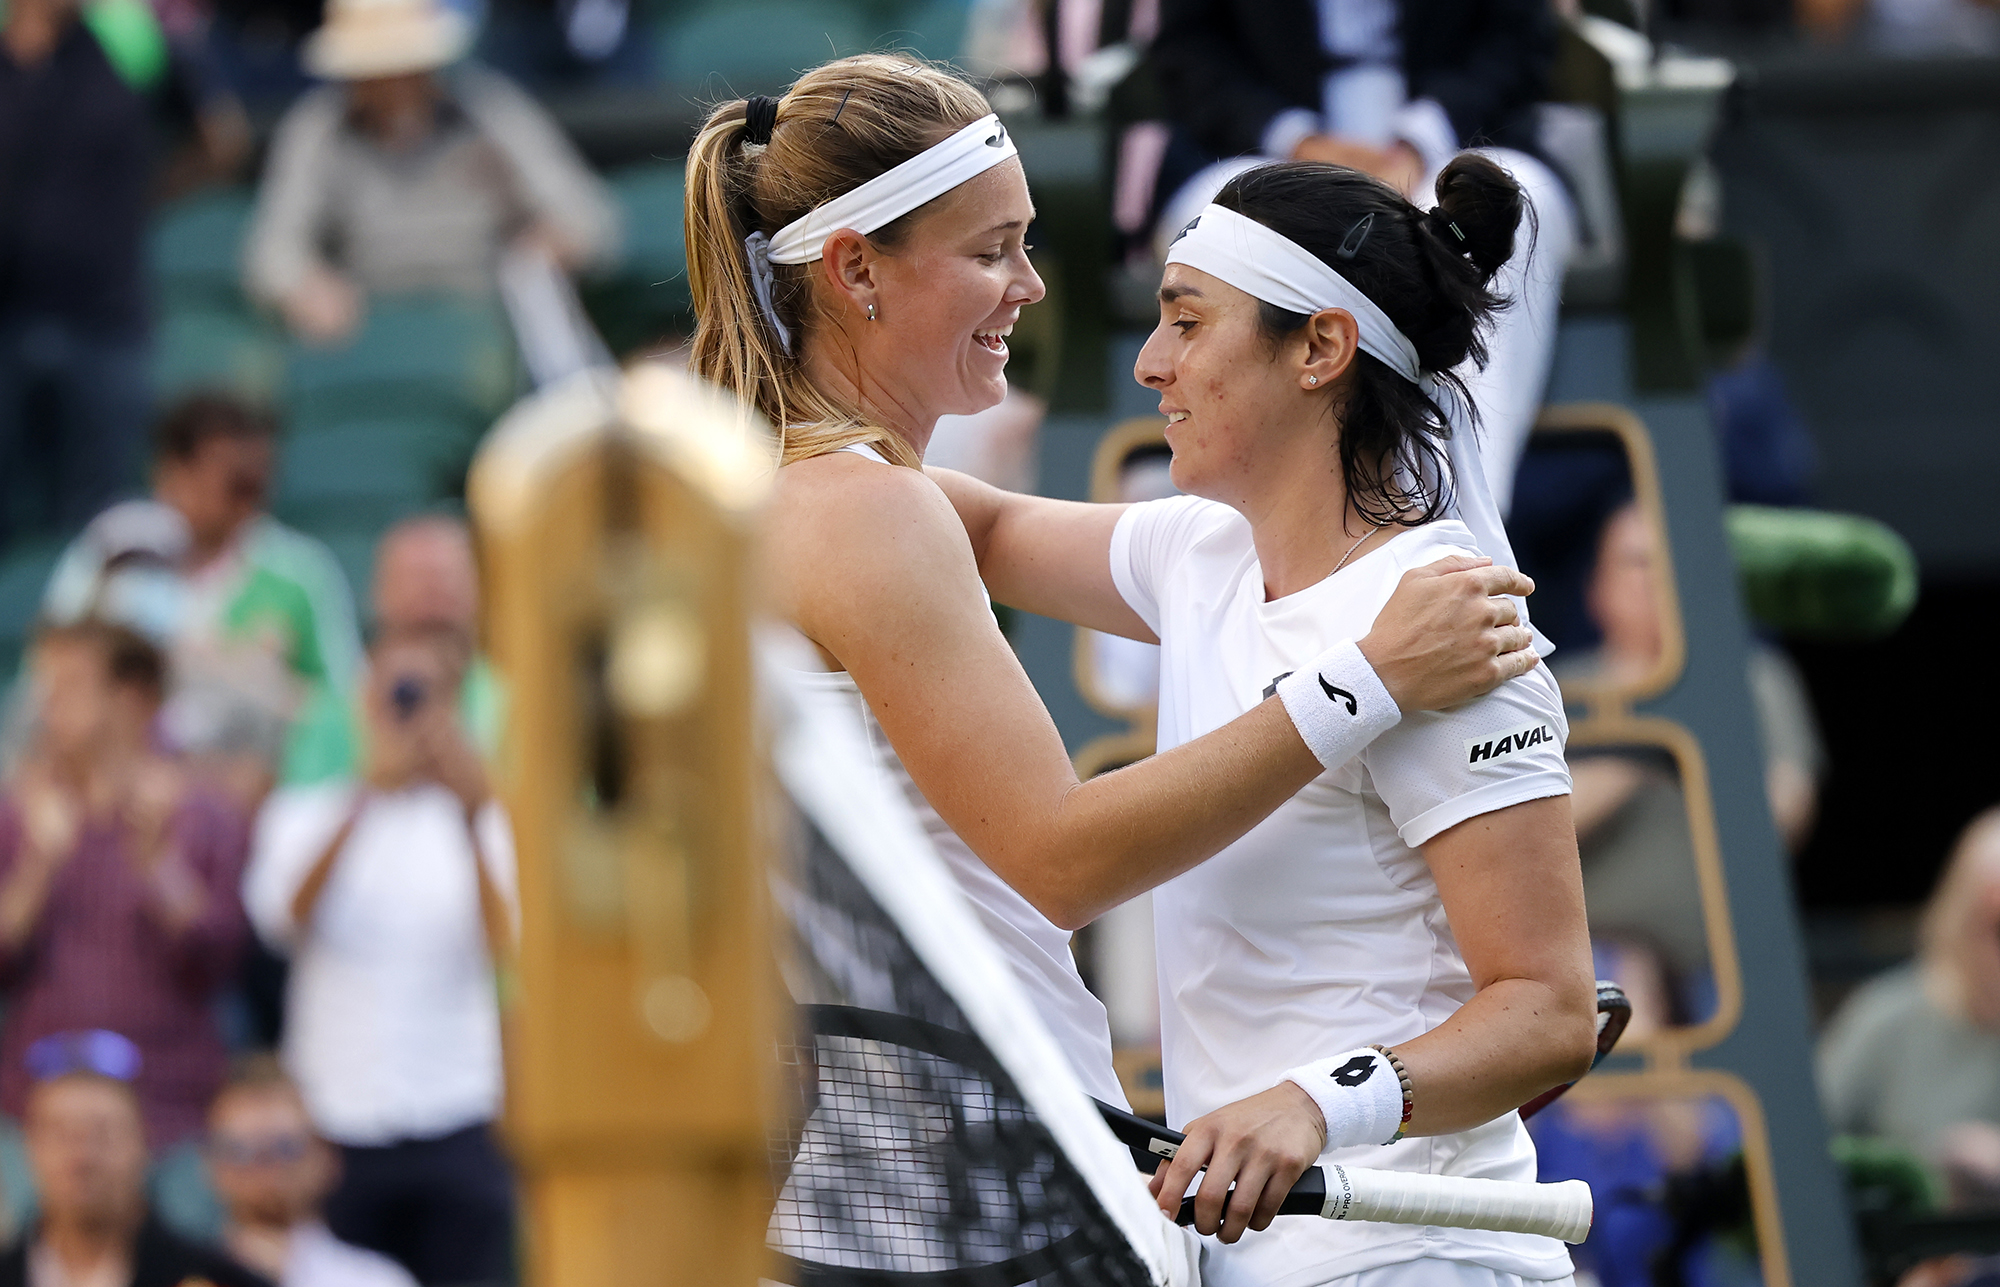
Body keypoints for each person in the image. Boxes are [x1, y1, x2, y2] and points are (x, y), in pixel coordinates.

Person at [686, 53, 1541, 1136]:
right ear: (856, 271)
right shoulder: (865, 514)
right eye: (990, 251)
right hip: (966, 1153)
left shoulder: (796, 492)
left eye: (1024, 244)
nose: (1030, 284)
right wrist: (1367, 680)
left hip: (924, 1136)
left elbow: (986, 527)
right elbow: (1061, 859)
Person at [932, 159, 1597, 1282]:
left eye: (1188, 322)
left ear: (1319, 348)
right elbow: (972, 530)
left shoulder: (1455, 628)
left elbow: (1548, 1010)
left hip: (1419, 1257)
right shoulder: (1201, 551)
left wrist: (1316, 1103)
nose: (1151, 362)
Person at [1148, 0, 1577, 510]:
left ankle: (1458, 520)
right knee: (1224, 231)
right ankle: (1248, 525)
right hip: (1261, 152)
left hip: (1451, 143)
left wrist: (1417, 141)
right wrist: (1299, 141)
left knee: (1514, 205)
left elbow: (1518, 38)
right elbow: (1190, 48)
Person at [243, 627, 517, 1287]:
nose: (408, 713)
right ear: (363, 703)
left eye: (425, 695)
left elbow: (507, 944)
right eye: (396, 694)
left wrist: (472, 815)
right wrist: (364, 796)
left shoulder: (486, 816)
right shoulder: (304, 810)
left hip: (458, 1111)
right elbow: (281, 919)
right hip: (338, 1120)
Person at [37, 394, 363, 806]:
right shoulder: (111, 549)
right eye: (234, 482)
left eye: (260, 481)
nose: (251, 496)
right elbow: (51, 673)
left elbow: (341, 702)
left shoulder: (302, 572)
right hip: (113, 782)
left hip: (255, 788)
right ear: (173, 474)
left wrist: (260, 681)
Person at [0, 0, 245, 545]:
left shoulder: (131, 40)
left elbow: (221, 139)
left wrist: (144, 196)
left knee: (101, 518)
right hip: (10, 320)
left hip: (105, 322)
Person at [0, 622, 250, 1154]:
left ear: (133, 698)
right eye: (47, 687)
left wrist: (159, 867)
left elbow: (218, 960)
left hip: (170, 1109)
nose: (49, 705)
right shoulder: (16, 812)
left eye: (70, 685)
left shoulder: (205, 813)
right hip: (37, 1116)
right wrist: (37, 868)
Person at [242, 0, 620, 347]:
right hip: (368, 329)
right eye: (372, 69)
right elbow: (271, 255)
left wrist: (541, 252)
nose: (390, 83)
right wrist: (308, 287)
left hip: (489, 318)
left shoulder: (490, 110)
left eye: (400, 64)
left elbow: (588, 221)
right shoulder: (317, 128)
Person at [1820, 809, 2000, 1212]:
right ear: (1962, 918)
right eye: (1997, 926)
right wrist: (1910, 1173)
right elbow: (1805, 1143)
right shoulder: (1886, 1018)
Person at [281, 516, 501, 787]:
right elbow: (298, 808)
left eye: (447, 580)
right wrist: (376, 781)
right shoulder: (337, 713)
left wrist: (469, 782)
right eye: (417, 579)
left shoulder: (508, 704)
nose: (432, 597)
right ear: (380, 595)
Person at [0, 1068, 269, 1287]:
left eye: (102, 1134)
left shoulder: (217, 1278)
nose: (81, 1158)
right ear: (29, 1147)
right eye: (61, 1135)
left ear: (144, 1143)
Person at [208, 1060, 419, 1287]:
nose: (261, 1168)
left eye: (284, 1148)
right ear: (211, 1165)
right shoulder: (190, 1275)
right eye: (238, 1151)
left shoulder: (377, 1281)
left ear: (327, 1156)